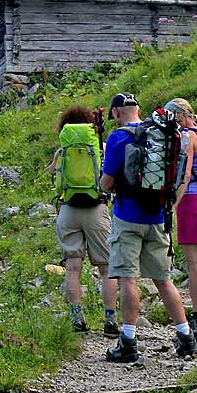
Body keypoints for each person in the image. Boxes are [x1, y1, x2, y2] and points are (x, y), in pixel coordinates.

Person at [101, 91, 197, 362]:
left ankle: (129, 342)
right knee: (163, 279)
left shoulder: (118, 137)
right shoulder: (165, 135)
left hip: (127, 217)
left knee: (128, 277)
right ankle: (186, 338)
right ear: (139, 109)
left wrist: (103, 185)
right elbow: (181, 177)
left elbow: (107, 183)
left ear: (116, 113)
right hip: (158, 216)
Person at [46, 105, 119, 336]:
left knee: (73, 268)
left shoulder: (62, 151)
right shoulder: (101, 148)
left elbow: (51, 173)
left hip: (68, 211)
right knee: (107, 268)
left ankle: (78, 318)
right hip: (96, 209)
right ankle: (110, 320)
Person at [164, 98, 197, 342]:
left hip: (191, 201)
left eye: (172, 117)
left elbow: (184, 174)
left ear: (181, 117)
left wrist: (173, 204)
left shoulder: (187, 137)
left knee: (193, 262)